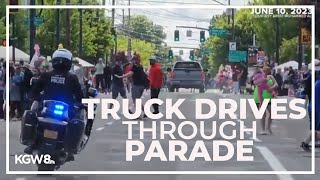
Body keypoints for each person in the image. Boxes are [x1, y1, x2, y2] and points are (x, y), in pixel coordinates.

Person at [26, 48, 84, 157]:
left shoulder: (46, 76)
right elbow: (79, 96)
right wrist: (81, 104)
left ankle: (32, 142)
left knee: (33, 113)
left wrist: (34, 96)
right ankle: (33, 141)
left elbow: (34, 91)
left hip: (46, 107)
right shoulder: (72, 78)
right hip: (62, 110)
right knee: (32, 113)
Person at [117, 53, 149, 118]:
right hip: (142, 86)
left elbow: (130, 73)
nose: (132, 61)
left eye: (133, 60)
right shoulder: (140, 66)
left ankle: (137, 114)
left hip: (136, 86)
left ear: (135, 60)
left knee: (136, 100)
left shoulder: (135, 67)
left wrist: (122, 76)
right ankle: (144, 112)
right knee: (138, 100)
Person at [253, 66, 278, 135]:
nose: (266, 72)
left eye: (267, 71)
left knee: (272, 113)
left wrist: (271, 88)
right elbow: (255, 82)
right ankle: (263, 129)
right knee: (263, 113)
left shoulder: (270, 77)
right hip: (259, 97)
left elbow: (276, 84)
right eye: (264, 71)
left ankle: (268, 127)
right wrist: (262, 80)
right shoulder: (258, 76)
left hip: (269, 97)